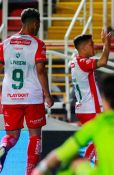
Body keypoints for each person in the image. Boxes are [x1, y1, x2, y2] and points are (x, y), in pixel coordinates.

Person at [0, 8, 54, 174]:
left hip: (10, 96)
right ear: (36, 23)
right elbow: (40, 71)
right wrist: (47, 95)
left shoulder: (5, 44)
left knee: (13, 136)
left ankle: (3, 146)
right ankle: (30, 172)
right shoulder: (38, 44)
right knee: (35, 136)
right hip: (32, 97)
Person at [70, 31, 111, 162]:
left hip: (83, 108)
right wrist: (107, 44)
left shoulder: (74, 61)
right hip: (91, 108)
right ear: (83, 48)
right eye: (91, 44)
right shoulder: (83, 63)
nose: (94, 46)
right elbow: (103, 61)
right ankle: (84, 165)